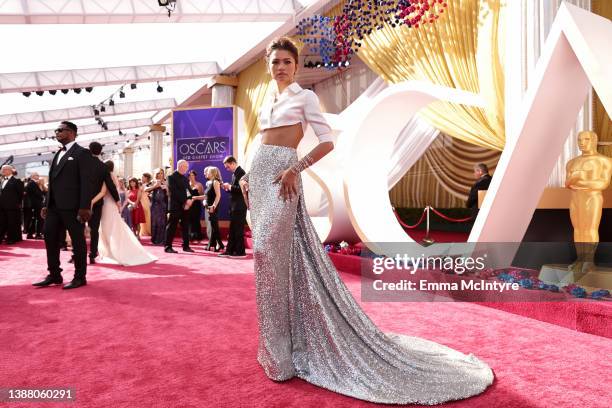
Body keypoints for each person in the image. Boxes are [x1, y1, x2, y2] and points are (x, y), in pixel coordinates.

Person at [238, 37, 493, 404]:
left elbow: (327, 142)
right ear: (269, 65)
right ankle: (278, 354)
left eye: (286, 62)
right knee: (270, 264)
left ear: (296, 66)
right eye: (275, 62)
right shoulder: (267, 102)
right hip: (260, 181)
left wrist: (297, 168)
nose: (280, 67)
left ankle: (284, 353)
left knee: (267, 254)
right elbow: (262, 143)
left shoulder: (305, 98)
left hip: (284, 179)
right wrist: (248, 175)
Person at [33, 121, 92, 290]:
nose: (57, 132)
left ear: (72, 132)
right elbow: (53, 182)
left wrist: (84, 207)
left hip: (74, 207)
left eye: (61, 130)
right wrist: (46, 203)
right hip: (53, 207)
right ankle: (54, 274)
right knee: (49, 238)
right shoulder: (57, 153)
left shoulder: (82, 153)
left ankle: (80, 277)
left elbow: (86, 182)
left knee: (78, 242)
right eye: (56, 130)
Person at [90, 161, 157, 266]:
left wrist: (92, 201)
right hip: (110, 205)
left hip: (107, 206)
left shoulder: (108, 177)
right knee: (111, 228)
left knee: (108, 229)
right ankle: (110, 252)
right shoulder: (113, 177)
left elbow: (103, 193)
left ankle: (113, 252)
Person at [565, 131, 612, 275]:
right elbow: (567, 184)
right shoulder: (572, 162)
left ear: (594, 140)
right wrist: (579, 181)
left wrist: (579, 178)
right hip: (575, 199)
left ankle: (589, 262)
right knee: (578, 230)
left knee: (590, 229)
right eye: (579, 139)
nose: (581, 142)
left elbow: (602, 184)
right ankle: (580, 260)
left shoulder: (605, 161)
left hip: (592, 198)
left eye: (586, 139)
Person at [87, 142, 120, 264]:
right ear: (100, 152)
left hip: (81, 201)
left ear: (89, 150)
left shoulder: (81, 164)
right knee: (94, 229)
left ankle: (76, 254)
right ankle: (92, 254)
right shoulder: (103, 167)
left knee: (78, 229)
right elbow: (110, 185)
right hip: (97, 203)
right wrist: (117, 200)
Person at [164, 160, 194, 253]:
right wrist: (185, 201)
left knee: (185, 226)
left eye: (187, 167)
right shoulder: (171, 177)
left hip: (185, 207)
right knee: (171, 226)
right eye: (185, 167)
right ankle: (168, 246)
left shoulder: (185, 179)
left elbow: (189, 191)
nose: (186, 169)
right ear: (180, 166)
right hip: (175, 206)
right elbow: (174, 192)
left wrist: (189, 199)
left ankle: (186, 246)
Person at [220, 156, 247, 258]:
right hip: (235, 206)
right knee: (233, 229)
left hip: (239, 206)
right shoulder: (235, 173)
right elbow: (236, 190)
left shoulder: (241, 172)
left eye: (227, 167)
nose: (227, 169)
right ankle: (230, 250)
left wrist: (229, 186)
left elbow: (242, 190)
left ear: (232, 163)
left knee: (238, 230)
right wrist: (228, 188)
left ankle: (240, 252)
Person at [0, 165, 24, 244]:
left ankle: (11, 239)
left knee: (11, 223)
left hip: (12, 206)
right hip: (2, 206)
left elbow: (20, 194)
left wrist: (17, 204)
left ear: (10, 171)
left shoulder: (17, 181)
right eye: (2, 169)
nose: (2, 171)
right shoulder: (2, 180)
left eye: (4, 169)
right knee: (2, 222)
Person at [204, 166, 224, 252]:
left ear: (212, 173)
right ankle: (212, 244)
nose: (206, 173)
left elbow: (218, 195)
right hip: (209, 207)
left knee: (214, 226)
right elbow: (206, 196)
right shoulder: (209, 182)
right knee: (213, 226)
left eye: (208, 171)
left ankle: (220, 244)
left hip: (213, 207)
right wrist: (197, 198)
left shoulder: (215, 182)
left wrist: (213, 206)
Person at [147, 168, 168, 245]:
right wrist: (154, 186)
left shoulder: (166, 182)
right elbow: (145, 189)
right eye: (158, 173)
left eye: (161, 173)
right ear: (156, 174)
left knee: (162, 222)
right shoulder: (152, 182)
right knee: (154, 222)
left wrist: (166, 188)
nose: (160, 174)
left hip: (163, 205)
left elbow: (170, 194)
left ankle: (162, 240)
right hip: (154, 205)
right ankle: (154, 239)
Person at [24, 172, 44, 239]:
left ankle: (31, 234)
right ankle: (37, 234)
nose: (38, 176)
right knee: (38, 219)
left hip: (34, 205)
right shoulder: (32, 183)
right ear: (32, 176)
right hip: (35, 205)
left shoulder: (32, 183)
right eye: (36, 175)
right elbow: (38, 194)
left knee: (34, 219)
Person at [188, 170, 204, 242]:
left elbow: (202, 194)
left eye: (192, 175)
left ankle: (197, 236)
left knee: (196, 220)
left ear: (195, 176)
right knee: (189, 220)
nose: (191, 177)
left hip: (197, 204)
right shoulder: (187, 184)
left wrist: (197, 191)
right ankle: (190, 236)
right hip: (189, 204)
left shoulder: (199, 184)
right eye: (190, 175)